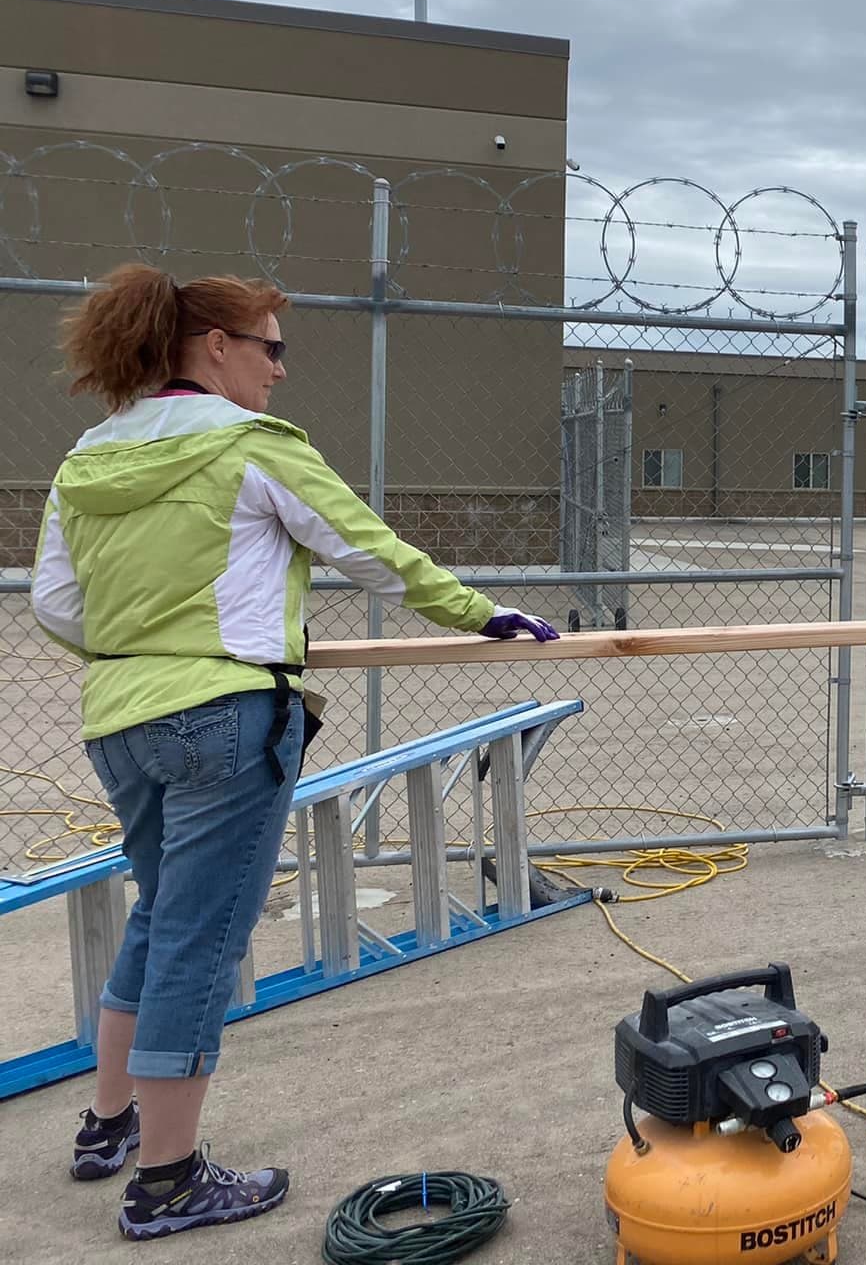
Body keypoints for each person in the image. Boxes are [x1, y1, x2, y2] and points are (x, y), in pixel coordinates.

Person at [30, 263, 559, 1242]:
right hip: (224, 714)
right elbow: (369, 550)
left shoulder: (88, 460)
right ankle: (168, 1182)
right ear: (215, 346)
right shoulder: (251, 446)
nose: (279, 369)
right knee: (201, 939)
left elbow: (57, 607)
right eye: (270, 348)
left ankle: (109, 1126)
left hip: (119, 718)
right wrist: (483, 613)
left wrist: (144, 652)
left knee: (162, 913)